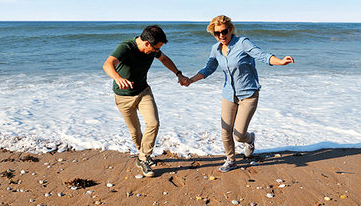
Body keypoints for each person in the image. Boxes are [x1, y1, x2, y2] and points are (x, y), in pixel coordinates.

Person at [185, 15, 294, 173]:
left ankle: (250, 140)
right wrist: (190, 80)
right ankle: (230, 160)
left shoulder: (242, 43)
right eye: (217, 33)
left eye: (224, 31)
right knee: (225, 130)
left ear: (230, 29)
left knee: (239, 135)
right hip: (228, 94)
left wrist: (280, 61)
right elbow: (208, 69)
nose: (221, 36)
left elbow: (262, 55)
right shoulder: (215, 49)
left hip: (248, 94)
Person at [103, 25, 188, 177]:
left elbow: (164, 59)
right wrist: (118, 78)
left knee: (153, 123)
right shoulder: (126, 47)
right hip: (123, 97)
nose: (157, 51)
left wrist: (178, 74)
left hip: (143, 91)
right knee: (135, 131)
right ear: (147, 43)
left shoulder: (153, 50)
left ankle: (143, 158)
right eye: (156, 48)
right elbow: (107, 64)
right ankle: (142, 155)